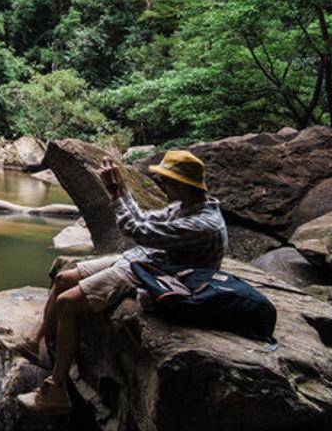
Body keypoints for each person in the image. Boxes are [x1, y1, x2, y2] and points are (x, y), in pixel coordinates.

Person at [12, 150, 229, 415]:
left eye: (167, 182)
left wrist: (116, 193)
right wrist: (122, 191)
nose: (163, 187)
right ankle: (36, 341)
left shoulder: (203, 223)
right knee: (63, 279)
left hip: (157, 272)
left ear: (184, 185)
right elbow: (143, 220)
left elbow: (136, 230)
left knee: (67, 303)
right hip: (144, 259)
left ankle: (55, 390)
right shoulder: (185, 206)